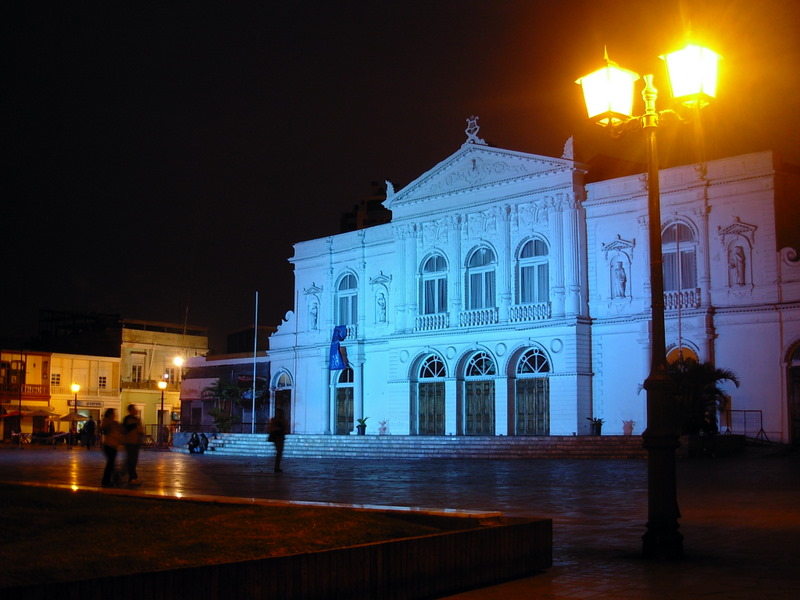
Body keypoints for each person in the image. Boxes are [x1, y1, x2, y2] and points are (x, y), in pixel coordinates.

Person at [120, 404, 144, 486]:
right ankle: (132, 478)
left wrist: (141, 435)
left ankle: (131, 477)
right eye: (134, 409)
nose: (136, 410)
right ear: (130, 410)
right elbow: (125, 429)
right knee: (131, 460)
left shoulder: (137, 419)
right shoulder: (127, 419)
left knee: (133, 460)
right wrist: (134, 425)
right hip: (130, 442)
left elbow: (140, 430)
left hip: (136, 442)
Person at [98, 408, 122, 487]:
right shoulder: (108, 422)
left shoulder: (111, 423)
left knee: (111, 464)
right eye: (114, 414)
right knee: (110, 465)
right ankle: (106, 481)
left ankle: (111, 479)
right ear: (110, 414)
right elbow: (105, 430)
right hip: (109, 445)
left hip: (112, 445)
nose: (115, 415)